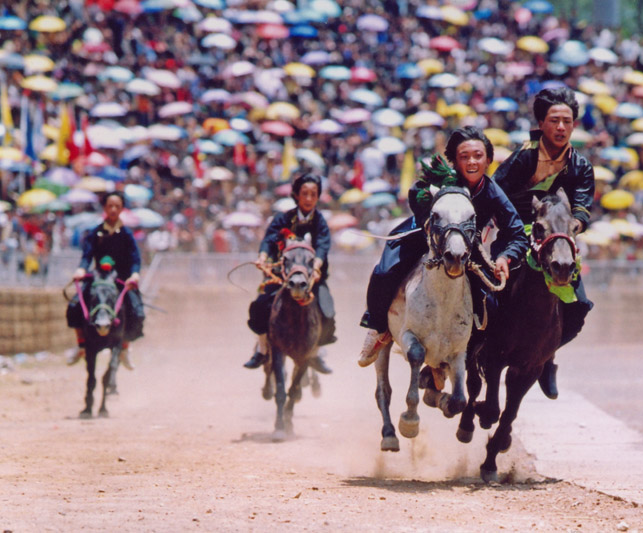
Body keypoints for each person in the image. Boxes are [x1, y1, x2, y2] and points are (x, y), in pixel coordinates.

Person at [358, 126, 528, 367]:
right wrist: (428, 218)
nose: (471, 162)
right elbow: (416, 191)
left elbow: (517, 232)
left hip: (467, 251)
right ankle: (378, 328)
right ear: (455, 160)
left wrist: (504, 257)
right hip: (421, 237)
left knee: (491, 303)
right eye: (464, 156)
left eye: (478, 156)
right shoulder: (442, 178)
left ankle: (470, 352)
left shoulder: (492, 192)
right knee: (384, 273)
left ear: (488, 160)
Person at [492, 87, 596, 400]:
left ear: (574, 125)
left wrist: (570, 226)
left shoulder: (581, 167)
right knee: (485, 293)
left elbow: (581, 207)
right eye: (554, 120)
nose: (561, 127)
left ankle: (546, 358)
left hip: (559, 241)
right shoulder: (522, 158)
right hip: (515, 236)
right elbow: (495, 193)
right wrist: (514, 228)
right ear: (541, 123)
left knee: (578, 308)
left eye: (567, 121)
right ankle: (475, 348)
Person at [243, 173, 335, 373]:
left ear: (318, 196)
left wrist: (317, 266)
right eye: (305, 194)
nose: (309, 198)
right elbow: (268, 239)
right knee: (260, 306)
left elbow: (322, 246)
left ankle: (316, 352)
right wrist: (263, 257)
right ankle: (261, 349)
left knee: (327, 310)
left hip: (312, 279)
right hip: (281, 278)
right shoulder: (283, 218)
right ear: (296, 195)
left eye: (313, 194)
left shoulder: (320, 222)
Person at [66, 191, 145, 369]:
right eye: (110, 205)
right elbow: (87, 256)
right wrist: (81, 269)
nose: (113, 209)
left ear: (122, 209)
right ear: (105, 208)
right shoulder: (95, 233)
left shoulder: (126, 234)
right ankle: (81, 345)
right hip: (98, 278)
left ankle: (125, 347)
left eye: (117, 206)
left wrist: (134, 274)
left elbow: (135, 259)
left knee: (137, 312)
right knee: (74, 306)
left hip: (122, 281)